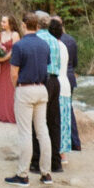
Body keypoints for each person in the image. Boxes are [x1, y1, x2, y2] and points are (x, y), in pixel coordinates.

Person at [5, 11, 52, 187]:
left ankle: (23, 174)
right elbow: (45, 66)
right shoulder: (44, 45)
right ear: (38, 27)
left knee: (26, 132)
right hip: (41, 88)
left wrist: (17, 88)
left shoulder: (19, 46)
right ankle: (46, 173)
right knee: (42, 131)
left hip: (25, 89)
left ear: (24, 26)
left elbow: (13, 73)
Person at [31, 11, 62, 174]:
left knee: (37, 122)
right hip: (55, 81)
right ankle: (56, 162)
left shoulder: (38, 39)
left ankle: (36, 161)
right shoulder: (55, 40)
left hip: (43, 81)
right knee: (53, 122)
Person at [49, 17, 71, 163]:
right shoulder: (63, 46)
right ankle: (62, 152)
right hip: (65, 84)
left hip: (57, 84)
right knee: (64, 119)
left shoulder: (53, 46)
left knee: (56, 120)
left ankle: (58, 152)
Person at [59, 16, 81, 150]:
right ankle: (75, 142)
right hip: (70, 76)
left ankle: (64, 143)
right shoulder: (71, 40)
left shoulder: (56, 41)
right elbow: (75, 62)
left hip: (60, 77)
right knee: (69, 109)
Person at [0, 14, 20, 124]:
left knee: (10, 87)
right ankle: (2, 113)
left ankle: (11, 114)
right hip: (1, 63)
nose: (2, 24)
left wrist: (4, 58)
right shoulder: (0, 34)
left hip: (10, 63)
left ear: (10, 23)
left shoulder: (15, 34)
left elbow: (15, 50)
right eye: (1, 22)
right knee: (2, 87)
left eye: (4, 22)